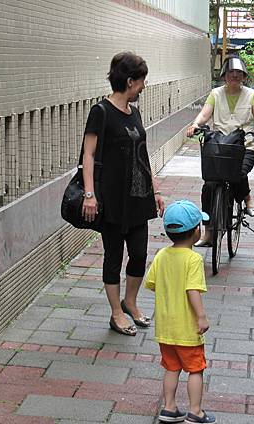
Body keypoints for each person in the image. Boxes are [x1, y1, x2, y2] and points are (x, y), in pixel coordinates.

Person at [82, 51, 165, 336]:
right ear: (130, 81)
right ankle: (116, 313)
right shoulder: (101, 112)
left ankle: (130, 302)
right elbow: (88, 155)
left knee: (140, 254)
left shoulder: (135, 112)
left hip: (138, 198)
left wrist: (154, 190)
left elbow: (142, 155)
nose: (143, 87)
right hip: (112, 199)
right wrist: (89, 194)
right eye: (141, 81)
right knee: (114, 256)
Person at [144, 200, 216, 424]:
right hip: (186, 329)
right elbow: (192, 289)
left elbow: (152, 283)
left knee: (171, 367)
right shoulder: (193, 259)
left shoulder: (162, 256)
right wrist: (201, 316)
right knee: (195, 368)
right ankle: (195, 412)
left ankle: (169, 407)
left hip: (165, 328)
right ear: (196, 231)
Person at [186, 54, 254, 247]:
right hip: (220, 146)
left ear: (244, 76)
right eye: (231, 72)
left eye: (239, 73)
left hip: (244, 146)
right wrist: (195, 124)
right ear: (224, 75)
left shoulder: (252, 95)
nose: (235, 76)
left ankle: (247, 198)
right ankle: (208, 232)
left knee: (238, 173)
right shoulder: (215, 94)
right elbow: (205, 114)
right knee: (208, 186)